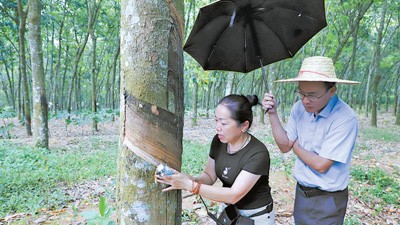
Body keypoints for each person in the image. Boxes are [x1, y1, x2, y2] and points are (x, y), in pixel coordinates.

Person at [262, 56, 359, 225]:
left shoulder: (345, 118)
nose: (305, 100)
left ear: (332, 91)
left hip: (328, 199)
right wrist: (272, 114)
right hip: (302, 193)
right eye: (302, 93)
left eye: (312, 95)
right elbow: (285, 145)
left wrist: (297, 147)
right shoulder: (299, 108)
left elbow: (321, 164)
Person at [156, 94, 275, 225]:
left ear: (244, 126)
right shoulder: (218, 141)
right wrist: (189, 179)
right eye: (216, 120)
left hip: (255, 216)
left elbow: (234, 195)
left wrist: (191, 186)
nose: (217, 127)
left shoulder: (258, 153)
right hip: (229, 212)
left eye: (223, 123)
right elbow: (209, 176)